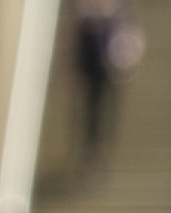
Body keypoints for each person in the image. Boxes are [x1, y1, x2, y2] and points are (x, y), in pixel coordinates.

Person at [67, 0, 143, 175]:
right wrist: (78, 71)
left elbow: (129, 40)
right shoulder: (87, 19)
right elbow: (81, 48)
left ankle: (101, 152)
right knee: (92, 114)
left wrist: (125, 63)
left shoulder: (118, 17)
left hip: (112, 73)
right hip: (93, 74)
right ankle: (90, 152)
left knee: (107, 113)